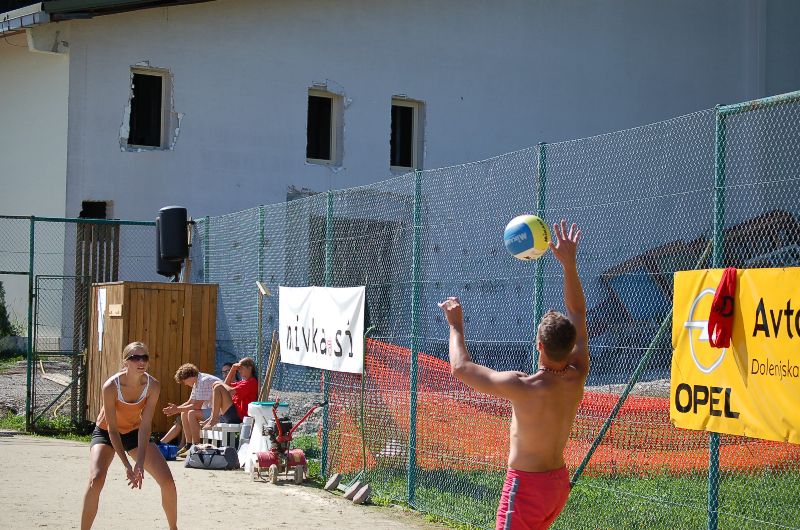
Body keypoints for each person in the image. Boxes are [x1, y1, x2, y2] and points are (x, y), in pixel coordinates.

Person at [438, 219, 588, 530]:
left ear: (539, 345)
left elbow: (460, 368)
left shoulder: (524, 386)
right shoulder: (578, 372)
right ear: (571, 344)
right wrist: (569, 265)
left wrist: (455, 326)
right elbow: (577, 312)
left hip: (527, 487)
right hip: (557, 485)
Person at [81, 342, 178, 530]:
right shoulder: (111, 386)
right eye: (135, 358)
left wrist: (139, 463)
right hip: (107, 432)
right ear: (125, 362)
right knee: (96, 480)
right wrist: (127, 465)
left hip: (134, 431)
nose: (141, 362)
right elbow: (112, 429)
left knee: (168, 482)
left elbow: (145, 425)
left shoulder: (153, 385)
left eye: (144, 357)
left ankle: (173, 528)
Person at [160, 363, 233, 447]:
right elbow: (190, 402)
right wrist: (176, 409)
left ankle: (196, 445)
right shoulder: (197, 381)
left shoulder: (203, 381)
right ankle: (188, 444)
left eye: (184, 381)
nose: (185, 384)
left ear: (189, 377)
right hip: (213, 410)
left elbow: (197, 405)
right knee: (184, 413)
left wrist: (177, 409)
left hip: (221, 413)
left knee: (192, 413)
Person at [202, 357, 259, 429]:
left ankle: (214, 418)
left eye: (241, 368)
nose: (239, 371)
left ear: (249, 368)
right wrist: (232, 370)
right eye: (238, 369)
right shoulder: (243, 382)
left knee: (218, 386)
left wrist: (219, 383)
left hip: (239, 417)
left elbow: (229, 391)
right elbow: (225, 385)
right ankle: (212, 417)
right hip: (233, 413)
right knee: (217, 386)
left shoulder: (252, 382)